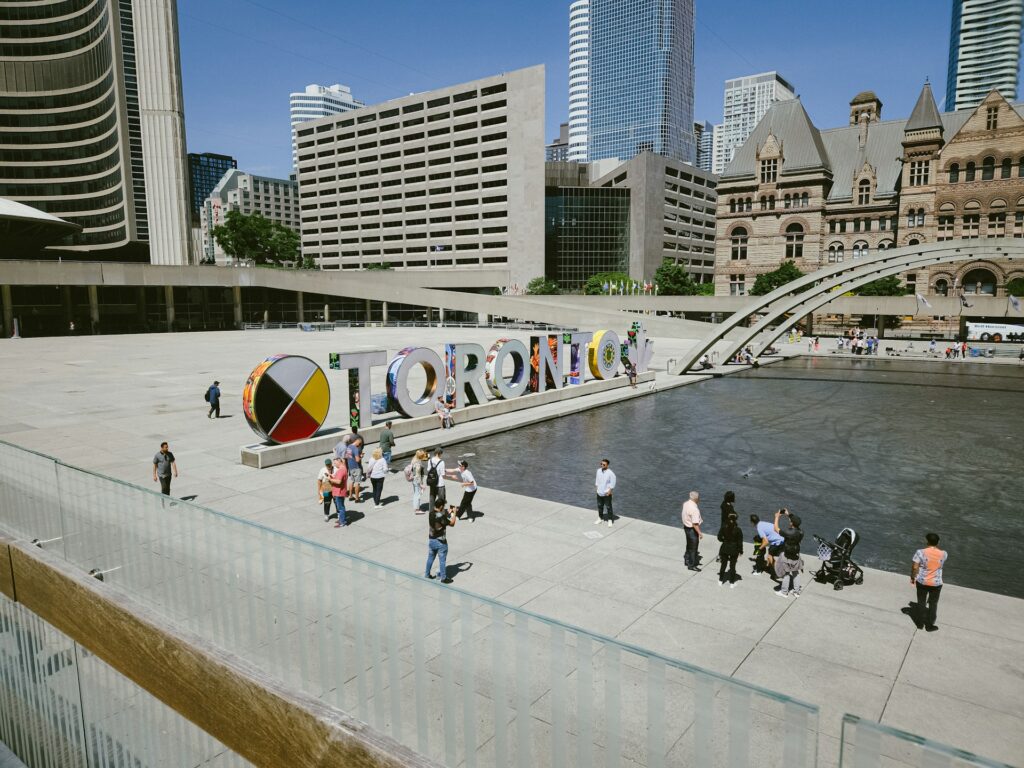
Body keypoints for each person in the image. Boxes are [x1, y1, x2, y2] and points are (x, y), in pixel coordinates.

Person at [911, 532, 947, 631]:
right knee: (933, 603)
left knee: (921, 602)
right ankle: (930, 625)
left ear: (927, 541)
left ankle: (920, 623)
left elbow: (915, 567)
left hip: (922, 581)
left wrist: (912, 577)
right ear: (938, 542)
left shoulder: (920, 552)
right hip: (936, 583)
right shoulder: (944, 554)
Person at [425, 499, 457, 583]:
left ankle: (427, 574)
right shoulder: (441, 516)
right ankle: (443, 578)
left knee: (430, 558)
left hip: (431, 540)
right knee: (442, 560)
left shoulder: (431, 513)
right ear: (442, 506)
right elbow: (452, 523)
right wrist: (454, 513)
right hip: (440, 542)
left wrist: (448, 513)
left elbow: (440, 518)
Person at [774, 511, 805, 596]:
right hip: (796, 555)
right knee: (795, 573)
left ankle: (784, 592)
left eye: (790, 521)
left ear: (792, 523)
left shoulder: (789, 532)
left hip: (788, 556)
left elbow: (776, 529)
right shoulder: (801, 532)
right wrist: (788, 514)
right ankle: (797, 591)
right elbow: (795, 522)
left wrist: (777, 517)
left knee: (786, 574)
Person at [717, 513, 743, 587]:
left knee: (723, 564)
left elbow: (719, 537)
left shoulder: (724, 527)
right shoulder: (738, 530)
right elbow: (740, 542)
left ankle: (720, 580)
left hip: (725, 547)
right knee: (732, 566)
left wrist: (724, 540)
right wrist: (741, 551)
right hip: (734, 549)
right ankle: (732, 582)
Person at [681, 491, 703, 570]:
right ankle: (692, 565)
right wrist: (700, 533)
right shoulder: (695, 509)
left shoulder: (685, 504)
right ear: (696, 498)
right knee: (694, 548)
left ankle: (687, 559)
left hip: (686, 527)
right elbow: (695, 524)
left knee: (689, 544)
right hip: (692, 530)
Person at [593, 458, 616, 527]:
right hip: (599, 492)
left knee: (608, 507)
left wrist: (610, 491)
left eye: (604, 464)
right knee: (600, 506)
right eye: (601, 464)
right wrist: (597, 488)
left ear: (607, 465)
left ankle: (609, 520)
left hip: (606, 493)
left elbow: (613, 482)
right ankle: (600, 518)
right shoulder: (598, 471)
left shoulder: (610, 473)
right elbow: (597, 480)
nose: (602, 465)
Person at [344, 435, 364, 503]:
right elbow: (357, 460)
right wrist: (361, 456)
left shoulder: (348, 447)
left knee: (351, 481)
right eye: (360, 444)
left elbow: (347, 457)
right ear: (358, 442)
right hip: (356, 467)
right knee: (357, 483)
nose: (359, 445)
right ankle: (357, 498)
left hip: (350, 467)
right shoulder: (355, 449)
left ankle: (350, 496)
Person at [330, 457, 348, 528]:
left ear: (339, 461)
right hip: (341, 491)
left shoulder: (341, 470)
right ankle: (341, 519)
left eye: (335, 463)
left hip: (339, 492)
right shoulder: (344, 468)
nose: (334, 465)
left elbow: (338, 481)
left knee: (340, 507)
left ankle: (342, 522)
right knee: (341, 506)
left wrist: (330, 479)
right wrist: (333, 477)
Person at [409, 449, 428, 513]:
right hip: (417, 480)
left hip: (413, 479)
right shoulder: (418, 464)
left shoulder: (414, 459)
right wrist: (421, 484)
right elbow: (417, 475)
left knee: (415, 493)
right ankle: (417, 509)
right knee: (418, 494)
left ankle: (416, 507)